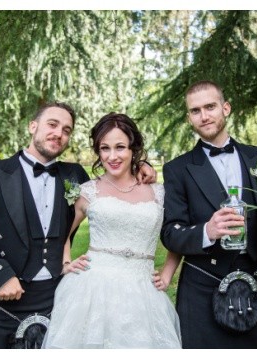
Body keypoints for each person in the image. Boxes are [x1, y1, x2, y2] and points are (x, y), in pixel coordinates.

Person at [0, 102, 157, 348]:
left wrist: (141, 167)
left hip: (56, 297)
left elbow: (113, 182)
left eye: (66, 130)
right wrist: (0, 275)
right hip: (4, 298)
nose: (59, 133)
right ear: (33, 126)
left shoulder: (74, 176)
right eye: (52, 124)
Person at [161, 80, 257, 348]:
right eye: (195, 111)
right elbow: (170, 233)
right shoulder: (178, 169)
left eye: (210, 107)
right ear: (190, 118)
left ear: (226, 108)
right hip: (203, 284)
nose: (204, 116)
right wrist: (206, 231)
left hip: (256, 278)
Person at [43, 113, 182, 348]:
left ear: (133, 149)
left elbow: (176, 234)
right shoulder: (88, 191)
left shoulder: (159, 192)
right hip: (92, 290)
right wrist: (66, 262)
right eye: (105, 148)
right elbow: (62, 233)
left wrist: (167, 273)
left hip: (144, 292)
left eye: (120, 147)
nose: (112, 156)